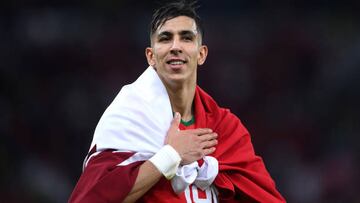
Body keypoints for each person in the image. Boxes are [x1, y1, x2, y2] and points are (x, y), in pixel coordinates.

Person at [69, 1, 286, 202]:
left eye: (186, 37)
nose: (176, 46)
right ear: (151, 56)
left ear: (201, 54)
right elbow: (93, 198)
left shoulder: (225, 128)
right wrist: (171, 155)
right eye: (165, 38)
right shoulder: (128, 117)